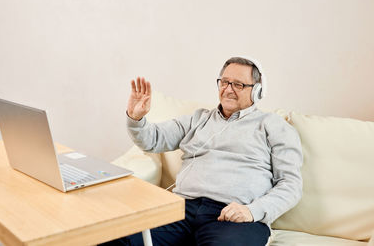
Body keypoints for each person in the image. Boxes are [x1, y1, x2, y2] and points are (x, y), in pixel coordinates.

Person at [103, 56, 303, 246]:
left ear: (257, 91)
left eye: (238, 84)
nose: (228, 89)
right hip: (182, 210)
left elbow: (291, 184)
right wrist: (136, 118)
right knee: (115, 237)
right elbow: (153, 140)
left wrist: (252, 211)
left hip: (233, 216)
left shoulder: (274, 126)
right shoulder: (198, 119)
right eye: (224, 82)